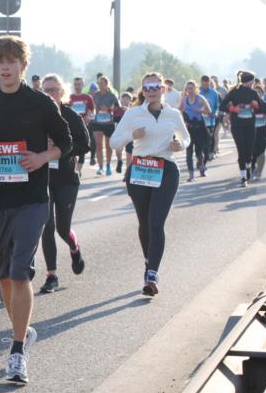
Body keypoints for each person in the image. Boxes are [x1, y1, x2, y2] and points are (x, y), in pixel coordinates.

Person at [0, 36, 72, 385]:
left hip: (32, 200)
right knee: (2, 279)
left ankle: (17, 353)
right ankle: (23, 331)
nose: (5, 67)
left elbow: (67, 142)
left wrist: (42, 157)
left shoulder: (41, 104)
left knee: (20, 271)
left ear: (23, 66)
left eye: (12, 61)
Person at [110, 73, 189, 296]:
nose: (151, 90)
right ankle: (148, 262)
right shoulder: (133, 113)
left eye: (155, 86)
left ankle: (152, 273)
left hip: (166, 170)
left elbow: (186, 138)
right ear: (143, 90)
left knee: (156, 223)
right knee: (144, 224)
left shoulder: (173, 114)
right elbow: (114, 141)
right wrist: (130, 134)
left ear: (163, 89)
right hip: (140, 170)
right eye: (147, 87)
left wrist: (179, 144)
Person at [38, 74, 90, 294]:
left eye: (54, 89)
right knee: (46, 226)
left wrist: (60, 148)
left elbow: (84, 144)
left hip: (67, 178)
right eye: (46, 89)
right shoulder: (36, 116)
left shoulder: (70, 115)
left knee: (62, 228)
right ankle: (52, 275)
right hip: (42, 178)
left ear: (62, 92)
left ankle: (74, 248)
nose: (50, 93)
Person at [220, 70, 264, 187]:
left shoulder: (253, 93)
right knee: (241, 150)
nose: (254, 83)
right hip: (237, 125)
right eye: (253, 81)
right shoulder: (234, 92)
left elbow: (260, 108)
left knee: (249, 150)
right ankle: (243, 177)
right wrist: (234, 109)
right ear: (250, 81)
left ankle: (249, 166)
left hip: (250, 124)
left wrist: (255, 105)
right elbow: (222, 106)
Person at [178, 80, 212, 182]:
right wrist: (183, 120)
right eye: (188, 88)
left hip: (200, 127)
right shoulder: (184, 99)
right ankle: (191, 175)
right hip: (189, 128)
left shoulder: (200, 98)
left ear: (195, 89)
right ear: (186, 90)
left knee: (199, 151)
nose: (189, 90)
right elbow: (178, 111)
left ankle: (201, 166)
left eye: (191, 88)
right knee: (188, 152)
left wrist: (200, 110)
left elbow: (209, 111)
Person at [90, 76, 120, 176]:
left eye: (103, 83)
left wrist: (109, 109)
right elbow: (91, 106)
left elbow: (118, 107)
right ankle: (100, 167)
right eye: (99, 83)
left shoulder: (112, 95)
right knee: (98, 144)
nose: (101, 85)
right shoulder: (95, 95)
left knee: (108, 146)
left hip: (108, 122)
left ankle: (108, 165)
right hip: (97, 122)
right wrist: (96, 110)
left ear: (107, 84)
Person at [70, 77, 96, 169]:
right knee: (72, 147)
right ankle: (75, 168)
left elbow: (93, 111)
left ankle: (79, 170)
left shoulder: (88, 97)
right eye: (75, 84)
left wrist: (89, 117)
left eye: (79, 84)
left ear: (83, 85)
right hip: (72, 125)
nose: (77, 86)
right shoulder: (70, 97)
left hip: (84, 124)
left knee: (82, 146)